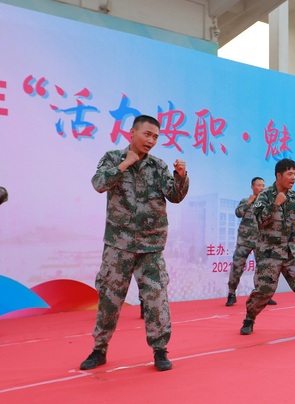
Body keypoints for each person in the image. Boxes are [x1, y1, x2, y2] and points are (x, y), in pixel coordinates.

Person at [79, 115, 189, 372]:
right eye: (147, 134)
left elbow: (175, 196)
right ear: (132, 132)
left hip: (151, 247)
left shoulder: (159, 166)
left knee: (156, 300)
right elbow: (98, 184)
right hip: (119, 246)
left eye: (155, 137)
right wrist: (124, 165)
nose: (151, 140)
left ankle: (160, 350)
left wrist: (181, 177)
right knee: (109, 299)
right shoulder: (112, 158)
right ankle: (99, 349)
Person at [239, 158, 295, 335]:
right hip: (270, 253)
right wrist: (275, 204)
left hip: (292, 252)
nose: (293, 178)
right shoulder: (265, 196)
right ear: (279, 175)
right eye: (289, 174)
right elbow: (260, 220)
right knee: (264, 291)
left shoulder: (294, 196)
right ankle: (249, 318)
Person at [225, 177, 276, 306]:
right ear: (252, 187)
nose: (261, 188)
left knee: (263, 269)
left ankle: (264, 295)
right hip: (244, 241)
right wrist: (249, 202)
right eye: (259, 185)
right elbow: (238, 213)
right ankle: (231, 293)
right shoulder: (245, 201)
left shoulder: (267, 203)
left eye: (263, 185)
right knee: (237, 267)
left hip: (261, 241)